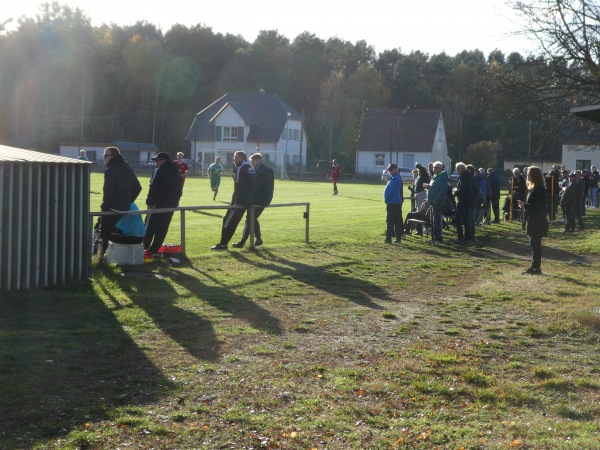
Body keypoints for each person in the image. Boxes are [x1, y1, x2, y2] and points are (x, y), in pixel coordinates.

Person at [98, 146, 142, 255]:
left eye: (106, 155)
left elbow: (108, 191)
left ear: (113, 156)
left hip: (113, 208)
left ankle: (98, 258)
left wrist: (105, 206)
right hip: (125, 208)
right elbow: (138, 187)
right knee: (113, 232)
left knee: (103, 234)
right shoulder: (127, 167)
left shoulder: (111, 169)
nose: (104, 158)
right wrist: (128, 201)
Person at [211, 151, 255, 250]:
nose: (234, 159)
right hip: (247, 201)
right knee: (233, 222)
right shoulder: (249, 167)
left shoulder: (241, 168)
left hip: (239, 202)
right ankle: (223, 244)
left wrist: (237, 202)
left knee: (227, 221)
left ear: (242, 158)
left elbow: (239, 186)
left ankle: (222, 244)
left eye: (236, 157)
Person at [143, 152, 183, 255]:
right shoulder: (176, 171)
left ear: (163, 160)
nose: (156, 162)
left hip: (158, 204)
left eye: (157, 160)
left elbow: (154, 188)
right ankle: (154, 250)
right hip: (171, 205)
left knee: (149, 227)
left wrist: (149, 202)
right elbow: (180, 189)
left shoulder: (160, 171)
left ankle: (143, 249)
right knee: (163, 227)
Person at [232, 152, 274, 248]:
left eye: (252, 161)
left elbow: (255, 186)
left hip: (258, 200)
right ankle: (257, 238)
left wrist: (249, 198)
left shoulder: (258, 171)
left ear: (257, 160)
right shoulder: (268, 169)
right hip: (265, 199)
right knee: (252, 218)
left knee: (249, 219)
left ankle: (243, 242)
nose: (251, 163)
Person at [517, 166, 548, 275]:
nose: (527, 175)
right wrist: (525, 205)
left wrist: (525, 206)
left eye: (529, 174)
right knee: (534, 243)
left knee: (535, 244)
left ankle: (536, 267)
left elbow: (536, 207)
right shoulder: (535, 189)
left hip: (537, 221)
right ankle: (535, 266)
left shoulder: (538, 190)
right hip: (535, 220)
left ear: (534, 175)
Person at [426, 161, 448, 244]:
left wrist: (436, 199)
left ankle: (438, 238)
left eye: (436, 167)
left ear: (441, 168)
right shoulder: (436, 176)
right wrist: (428, 186)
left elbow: (443, 190)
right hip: (432, 202)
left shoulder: (442, 177)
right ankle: (434, 237)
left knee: (437, 221)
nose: (434, 169)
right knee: (433, 220)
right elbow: (434, 187)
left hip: (437, 203)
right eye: (434, 167)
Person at [383, 163, 404, 244]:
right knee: (396, 221)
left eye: (390, 169)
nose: (389, 171)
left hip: (393, 202)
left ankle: (389, 238)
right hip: (395, 202)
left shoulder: (395, 178)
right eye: (389, 169)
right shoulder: (395, 177)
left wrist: (387, 199)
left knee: (391, 221)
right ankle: (397, 238)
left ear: (395, 169)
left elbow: (393, 191)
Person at [453, 162, 472, 244]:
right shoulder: (467, 176)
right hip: (467, 200)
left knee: (458, 218)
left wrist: (455, 192)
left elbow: (464, 188)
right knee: (466, 219)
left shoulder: (464, 177)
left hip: (463, 200)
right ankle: (467, 237)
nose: (457, 170)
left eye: (459, 168)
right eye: (457, 168)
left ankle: (460, 237)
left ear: (463, 169)